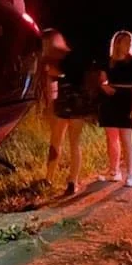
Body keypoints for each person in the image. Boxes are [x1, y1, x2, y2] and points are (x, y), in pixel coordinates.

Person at [42, 30, 100, 195]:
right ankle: (72, 181)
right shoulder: (76, 58)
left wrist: (50, 105)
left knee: (56, 141)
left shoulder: (57, 60)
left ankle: (49, 178)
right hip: (78, 103)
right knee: (74, 143)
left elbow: (52, 76)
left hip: (66, 101)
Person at [98, 31, 132, 188]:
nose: (129, 45)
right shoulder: (108, 61)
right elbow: (102, 79)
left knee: (126, 137)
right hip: (110, 99)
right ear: (117, 43)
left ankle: (131, 173)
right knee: (112, 137)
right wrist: (104, 86)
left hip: (127, 98)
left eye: (130, 42)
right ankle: (114, 170)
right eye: (125, 41)